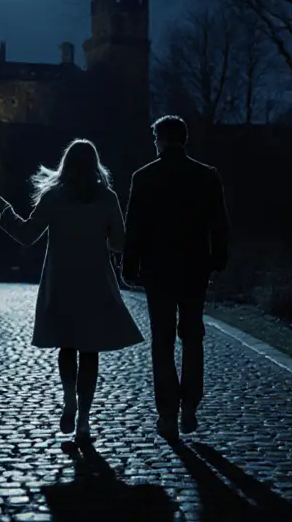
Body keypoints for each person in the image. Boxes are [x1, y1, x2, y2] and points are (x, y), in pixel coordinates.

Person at [0, 138, 144, 441]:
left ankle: (69, 398)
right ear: (95, 165)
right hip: (95, 281)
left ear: (66, 164)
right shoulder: (106, 197)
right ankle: (84, 421)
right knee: (90, 350)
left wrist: (6, 210)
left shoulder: (54, 196)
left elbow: (27, 235)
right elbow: (119, 244)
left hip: (61, 280)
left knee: (67, 346)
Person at [122, 115, 230, 438]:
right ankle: (190, 405)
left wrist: (129, 266)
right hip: (195, 266)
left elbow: (134, 228)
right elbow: (219, 223)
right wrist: (218, 259)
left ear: (160, 140)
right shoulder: (207, 176)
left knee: (163, 340)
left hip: (158, 269)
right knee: (193, 335)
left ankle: (167, 412)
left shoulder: (143, 177)